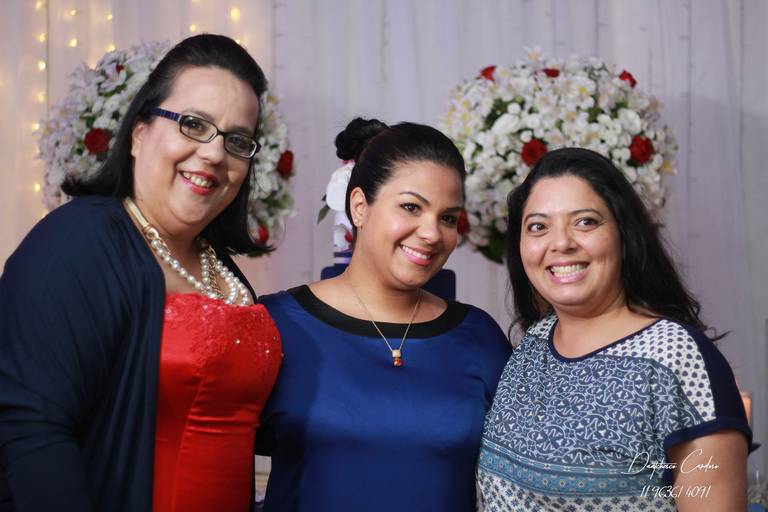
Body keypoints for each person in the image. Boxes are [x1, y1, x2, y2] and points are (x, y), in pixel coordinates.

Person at [0, 34, 282, 512]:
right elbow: (29, 428)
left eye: (236, 140)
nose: (215, 154)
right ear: (139, 133)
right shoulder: (78, 241)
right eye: (194, 124)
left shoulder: (222, 269)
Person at [255, 118, 512, 511]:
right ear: (359, 206)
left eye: (447, 217)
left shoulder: (480, 337)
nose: (432, 233)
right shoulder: (277, 324)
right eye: (411, 207)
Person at [477, 147, 752, 511]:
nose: (561, 243)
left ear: (623, 232)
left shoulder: (675, 359)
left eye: (585, 222)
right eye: (539, 227)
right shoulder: (535, 342)